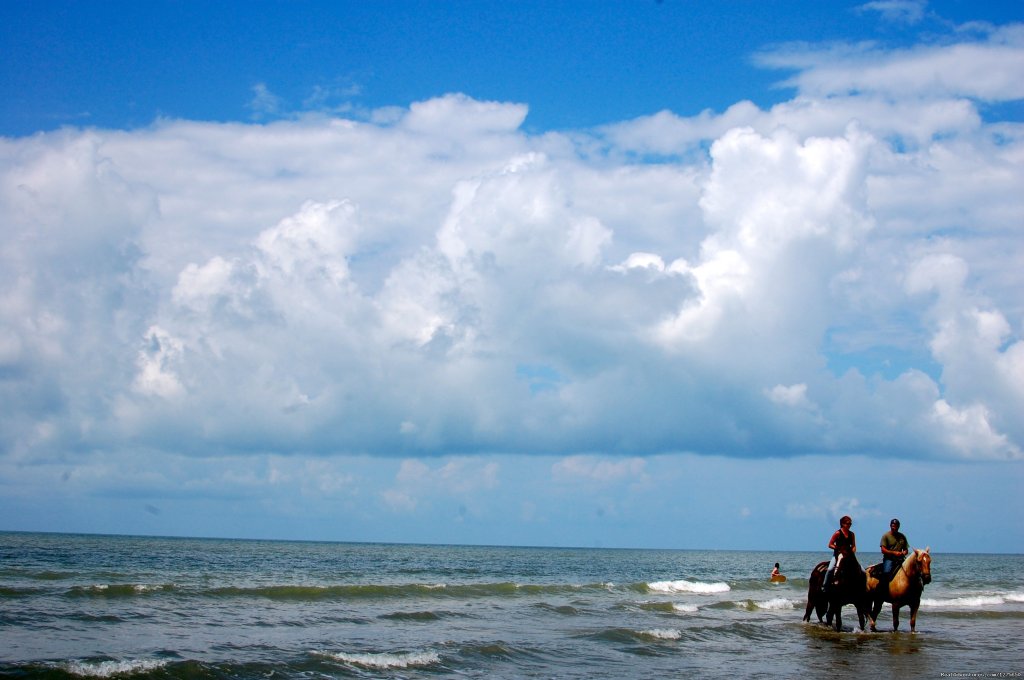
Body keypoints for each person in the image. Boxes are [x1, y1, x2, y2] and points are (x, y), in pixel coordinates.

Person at [823, 515, 856, 592]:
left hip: (849, 556)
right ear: (842, 524)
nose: (849, 525)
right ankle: (824, 586)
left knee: (862, 570)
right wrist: (839, 549)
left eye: (850, 524)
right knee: (830, 569)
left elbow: (854, 546)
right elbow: (830, 544)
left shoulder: (852, 534)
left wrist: (852, 552)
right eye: (847, 523)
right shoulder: (838, 533)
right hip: (838, 555)